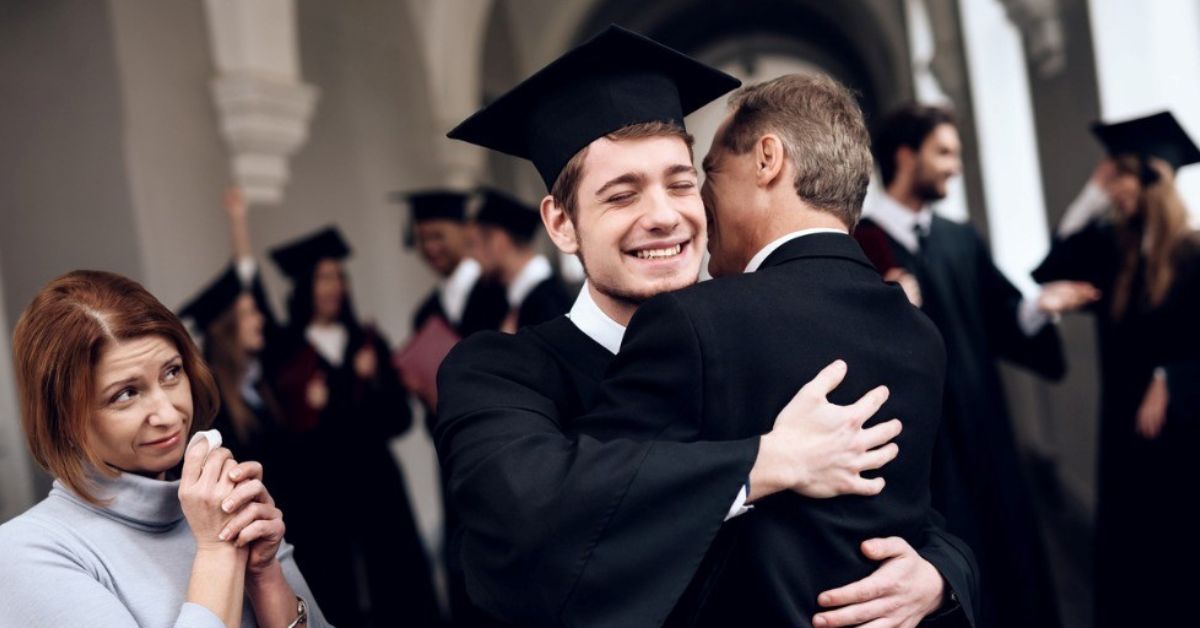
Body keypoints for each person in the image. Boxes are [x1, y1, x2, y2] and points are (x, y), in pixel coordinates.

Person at [439, 26, 975, 627]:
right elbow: (523, 517)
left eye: (681, 182)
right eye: (622, 195)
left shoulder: (754, 335)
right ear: (562, 225)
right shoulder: (498, 371)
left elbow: (917, 510)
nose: (665, 217)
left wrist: (937, 576)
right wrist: (763, 462)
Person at [857, 103, 1097, 627]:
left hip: (987, 434)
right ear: (905, 155)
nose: (954, 166)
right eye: (944, 152)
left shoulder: (958, 238)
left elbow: (1000, 315)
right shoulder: (861, 247)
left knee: (1010, 566)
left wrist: (1037, 307)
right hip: (926, 453)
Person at [0, 270, 324, 627]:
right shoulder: (28, 551)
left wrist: (265, 575)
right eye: (126, 394)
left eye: (171, 373)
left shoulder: (226, 503)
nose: (169, 414)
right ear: (64, 419)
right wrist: (218, 552)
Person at [1032, 111, 1200, 626]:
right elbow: (1049, 270)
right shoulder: (1116, 252)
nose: (1116, 191)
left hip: (1178, 427)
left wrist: (1170, 376)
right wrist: (1089, 195)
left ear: (1155, 179)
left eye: (1122, 177)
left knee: (1177, 550)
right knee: (1130, 554)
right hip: (1123, 424)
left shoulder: (1194, 253)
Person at [269, 227, 440, 626]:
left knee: (395, 580)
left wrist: (372, 383)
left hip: (376, 479)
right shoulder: (287, 352)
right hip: (321, 489)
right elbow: (290, 433)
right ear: (304, 286)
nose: (333, 287)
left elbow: (399, 418)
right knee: (336, 583)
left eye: (338, 276)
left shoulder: (367, 341)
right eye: (323, 277)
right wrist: (345, 388)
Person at [473, 187, 573, 332]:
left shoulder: (551, 304)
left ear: (498, 241)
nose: (474, 256)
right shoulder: (507, 299)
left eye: (474, 244)